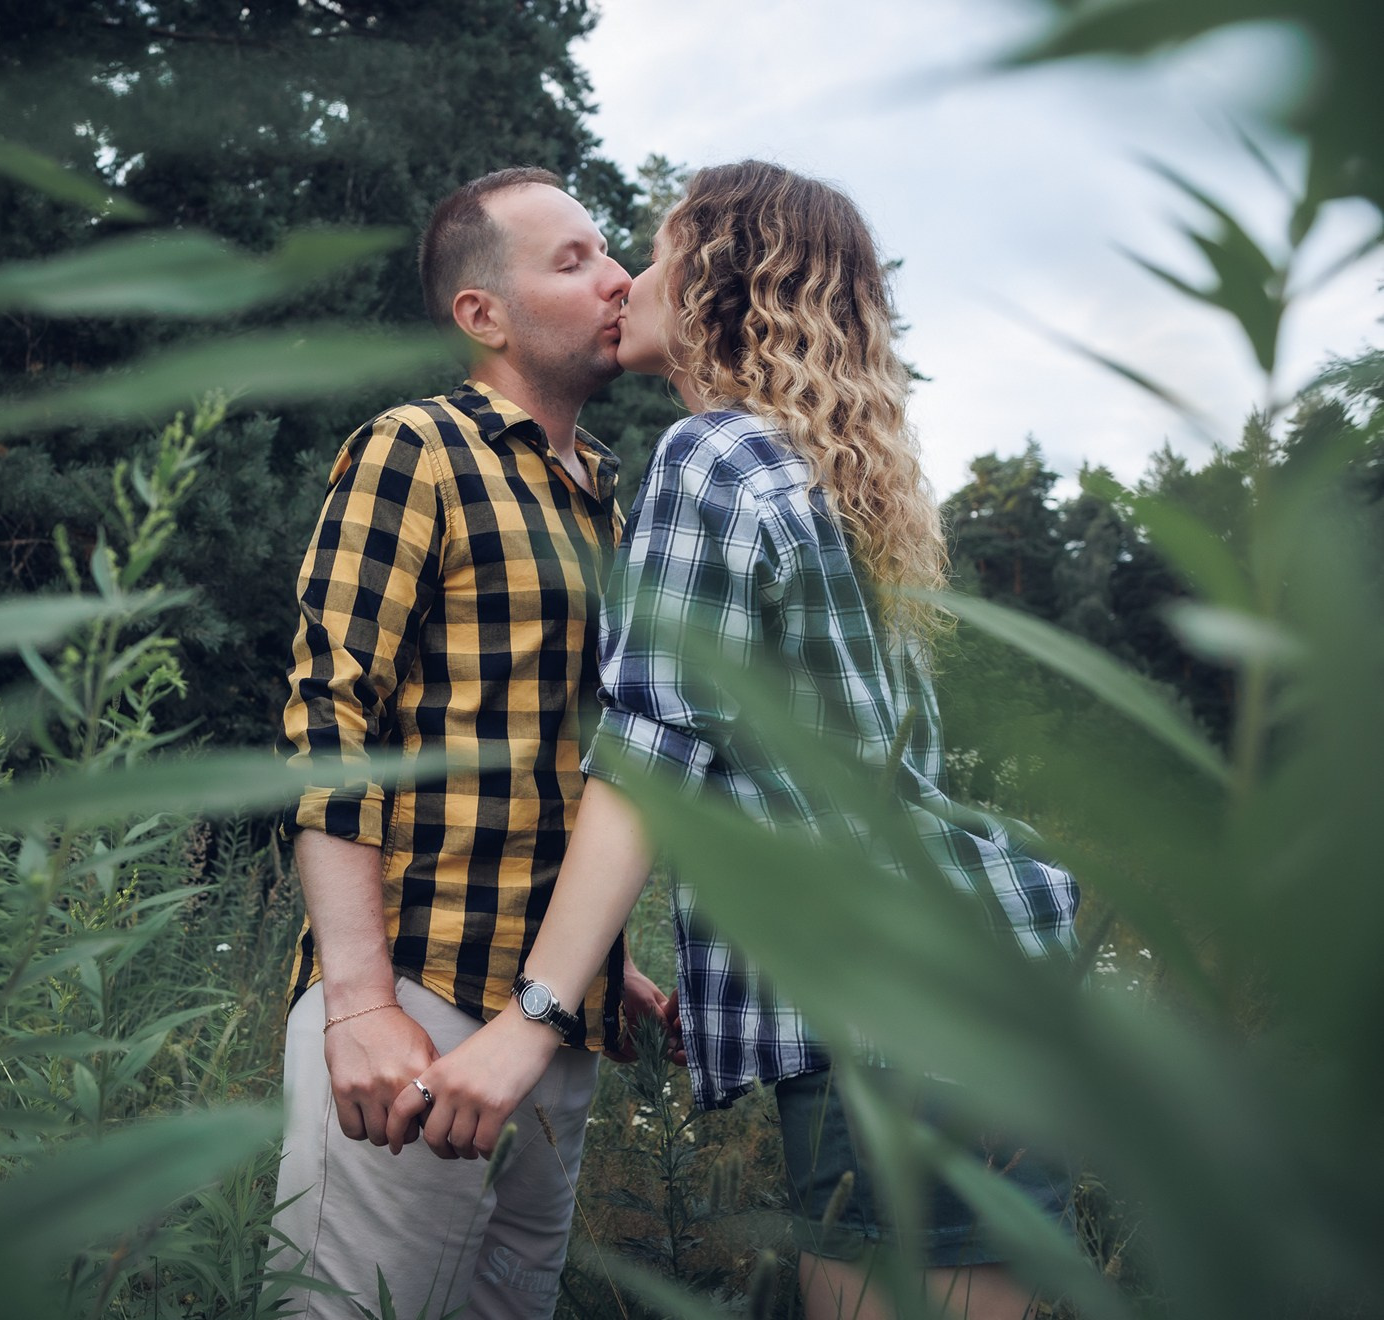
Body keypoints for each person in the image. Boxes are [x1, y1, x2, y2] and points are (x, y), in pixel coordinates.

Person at [393, 161, 1081, 1320]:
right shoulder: (831, 479)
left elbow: (648, 756)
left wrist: (532, 1023)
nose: (627, 280)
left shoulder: (711, 458)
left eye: (654, 253)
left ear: (717, 283)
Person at [271, 166, 671, 1319]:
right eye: (574, 259)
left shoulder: (604, 492)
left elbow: (573, 757)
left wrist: (606, 965)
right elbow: (328, 717)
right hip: (419, 996)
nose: (618, 279)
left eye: (611, 252)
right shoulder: (418, 450)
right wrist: (357, 1002)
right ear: (481, 315)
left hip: (548, 1025)